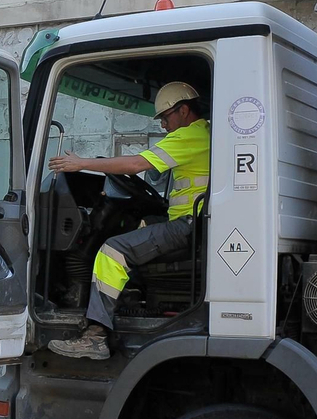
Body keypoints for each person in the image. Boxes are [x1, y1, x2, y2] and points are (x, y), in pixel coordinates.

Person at [45, 81, 210, 360]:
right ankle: (127, 300)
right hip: (194, 224)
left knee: (112, 251)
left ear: (183, 110)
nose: (164, 126)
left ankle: (95, 336)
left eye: (166, 118)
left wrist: (82, 164)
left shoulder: (191, 136)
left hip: (187, 227)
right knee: (142, 223)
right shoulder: (204, 133)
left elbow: (135, 165)